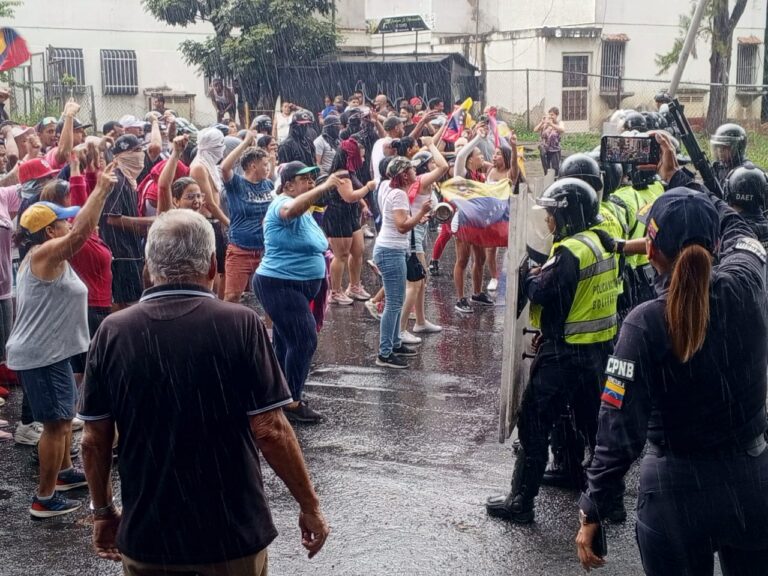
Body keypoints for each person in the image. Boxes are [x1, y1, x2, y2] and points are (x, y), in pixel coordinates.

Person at [78, 209, 329, 573]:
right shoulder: (239, 323)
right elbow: (270, 430)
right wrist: (309, 506)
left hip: (149, 534)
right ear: (213, 266)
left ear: (148, 268)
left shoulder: (113, 331)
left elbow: (94, 439)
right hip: (231, 532)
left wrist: (103, 512)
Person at [576, 136, 768, 574]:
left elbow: (617, 431)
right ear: (715, 245)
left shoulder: (645, 323)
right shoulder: (748, 279)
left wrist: (593, 506)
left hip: (675, 492)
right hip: (751, 481)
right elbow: (738, 227)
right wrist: (679, 178)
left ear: (651, 249)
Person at [485, 178, 620, 524]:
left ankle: (520, 501)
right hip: (595, 352)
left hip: (565, 355)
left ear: (568, 215)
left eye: (552, 214)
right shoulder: (601, 241)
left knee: (533, 423)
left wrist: (529, 276)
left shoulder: (571, 251)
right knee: (594, 426)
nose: (548, 221)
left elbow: (545, 292)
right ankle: (610, 501)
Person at [7, 166, 116, 518]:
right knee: (55, 425)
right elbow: (79, 235)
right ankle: (43, 498)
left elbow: (82, 230)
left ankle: (64, 474)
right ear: (50, 230)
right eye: (63, 220)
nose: (70, 222)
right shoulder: (45, 254)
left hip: (54, 352)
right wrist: (99, 191)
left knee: (64, 419)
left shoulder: (48, 254)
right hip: (42, 355)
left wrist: (98, 195)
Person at [254, 162, 342, 423]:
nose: (311, 182)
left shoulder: (304, 209)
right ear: (288, 184)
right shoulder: (281, 203)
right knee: (304, 340)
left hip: (295, 286)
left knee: (285, 341)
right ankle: (291, 402)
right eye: (304, 179)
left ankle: (278, 394)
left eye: (313, 178)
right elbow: (291, 209)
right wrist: (326, 186)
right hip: (279, 283)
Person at [374, 156, 432, 369]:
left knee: (395, 301)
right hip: (391, 251)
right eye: (411, 169)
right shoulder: (399, 194)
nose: (415, 172)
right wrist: (421, 213)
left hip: (393, 249)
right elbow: (401, 226)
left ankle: (395, 343)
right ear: (404, 174)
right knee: (394, 303)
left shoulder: (396, 192)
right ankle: (385, 352)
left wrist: (417, 216)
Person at [399, 142, 448, 343]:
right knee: (416, 281)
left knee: (421, 280)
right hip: (414, 234)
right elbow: (444, 166)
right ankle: (401, 328)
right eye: (429, 162)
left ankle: (420, 320)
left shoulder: (416, 181)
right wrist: (432, 145)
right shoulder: (422, 181)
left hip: (417, 230)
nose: (433, 165)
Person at [99, 135, 155, 310]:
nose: (141, 155)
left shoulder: (129, 180)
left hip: (130, 249)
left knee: (132, 299)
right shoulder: (117, 180)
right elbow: (112, 218)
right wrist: (148, 221)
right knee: (125, 302)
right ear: (123, 155)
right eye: (136, 151)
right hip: (120, 252)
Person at [220, 131, 274, 303]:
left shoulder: (269, 185)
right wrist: (245, 143)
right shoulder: (237, 184)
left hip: (266, 250)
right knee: (232, 296)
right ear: (252, 166)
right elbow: (225, 167)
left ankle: (271, 331)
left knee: (269, 298)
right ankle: (229, 330)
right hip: (240, 249)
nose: (269, 168)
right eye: (265, 164)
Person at [322, 138, 375, 305]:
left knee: (358, 251)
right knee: (341, 255)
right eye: (361, 154)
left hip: (351, 215)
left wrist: (363, 205)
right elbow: (349, 196)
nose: (363, 158)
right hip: (338, 216)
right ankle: (335, 292)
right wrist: (368, 188)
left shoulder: (350, 171)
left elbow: (354, 193)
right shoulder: (341, 174)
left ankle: (354, 286)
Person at [190, 127, 230, 297]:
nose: (222, 148)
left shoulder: (211, 165)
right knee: (212, 268)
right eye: (219, 145)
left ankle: (218, 303)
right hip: (207, 222)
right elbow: (210, 203)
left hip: (216, 221)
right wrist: (228, 223)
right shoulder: (199, 167)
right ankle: (212, 302)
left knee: (222, 267)